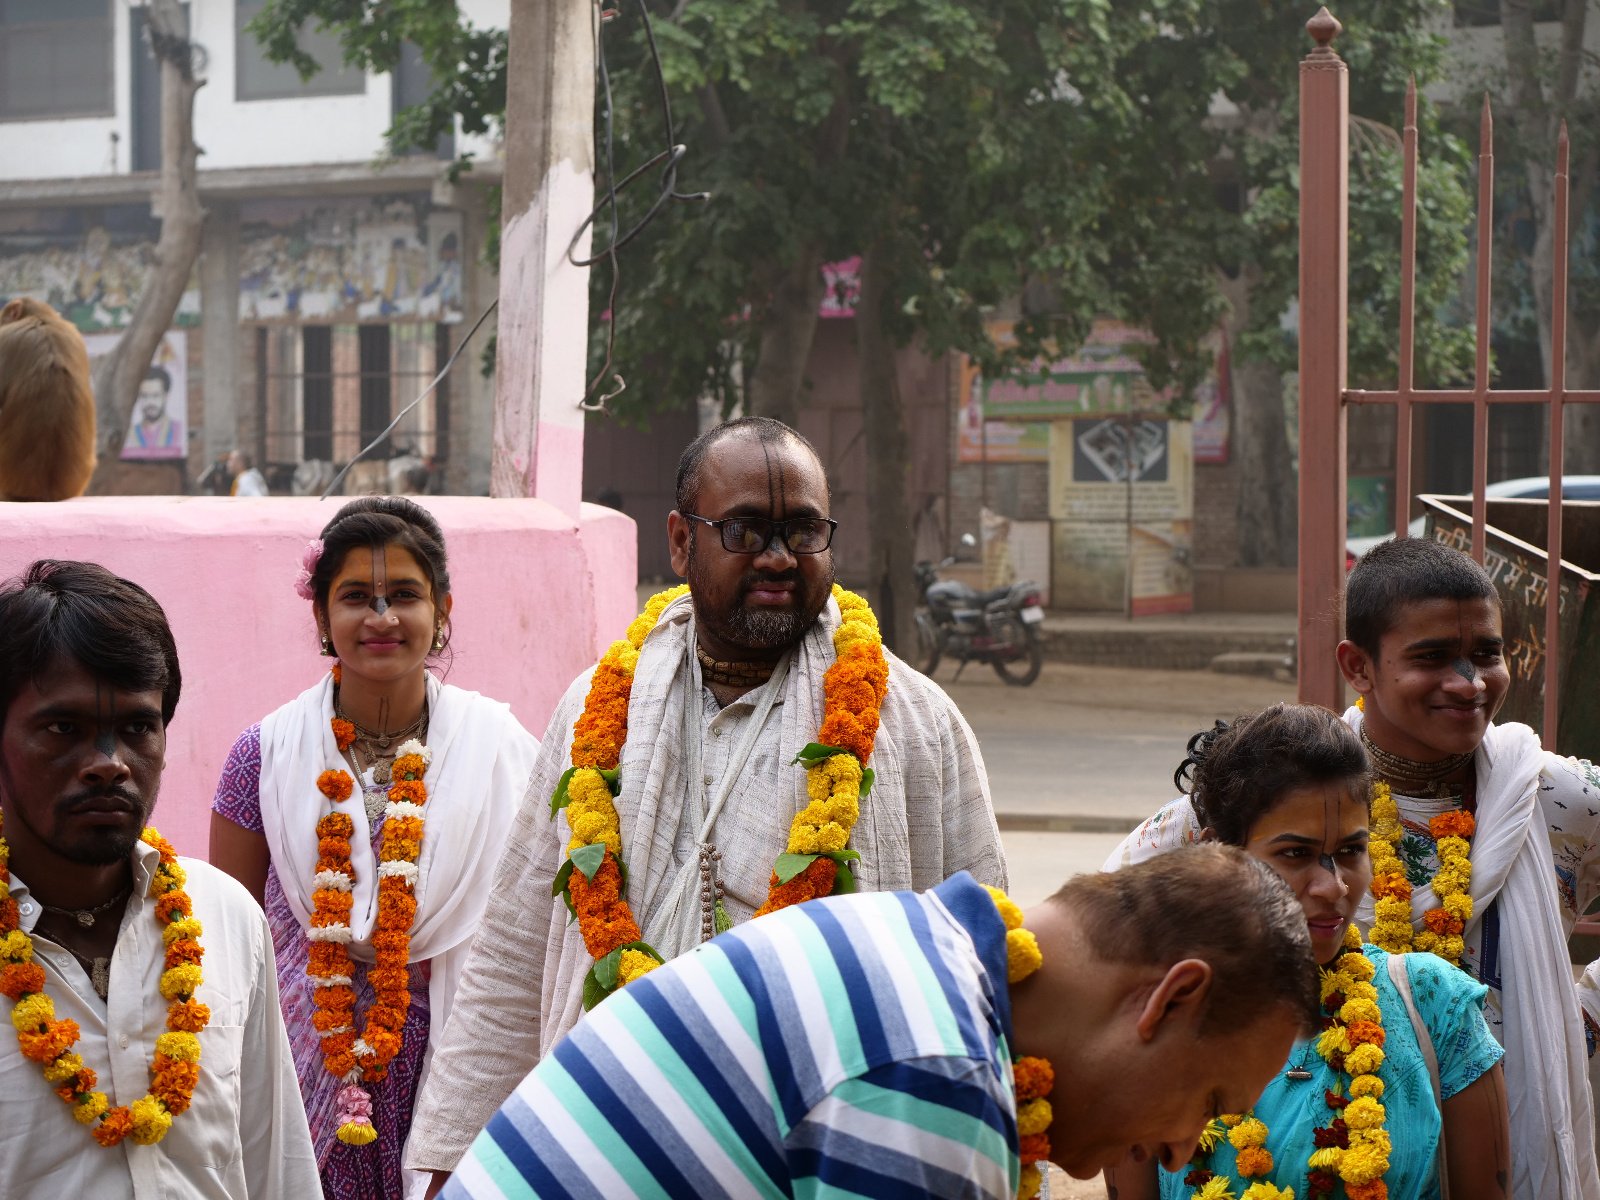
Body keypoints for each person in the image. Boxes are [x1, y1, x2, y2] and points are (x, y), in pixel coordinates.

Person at [406, 416, 1006, 1185]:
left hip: (816, 1155)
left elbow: (975, 965)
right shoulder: (597, 709)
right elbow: (516, 959)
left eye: (804, 531)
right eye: (746, 530)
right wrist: (448, 1162)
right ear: (681, 540)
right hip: (612, 1144)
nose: (781, 558)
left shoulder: (915, 725)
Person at [1107, 537, 1600, 1199]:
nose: (1469, 683)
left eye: (1487, 654)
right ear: (1358, 666)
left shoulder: (1556, 797)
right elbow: (1102, 940)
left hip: (1514, 1134)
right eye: (1431, 659)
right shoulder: (1273, 798)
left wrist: (1584, 1013)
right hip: (1293, 1139)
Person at [441, 845, 1321, 1200]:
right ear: (1169, 999)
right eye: (1208, 1103)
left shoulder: (907, 942)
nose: (1179, 1152)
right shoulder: (934, 1062)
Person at [209, 497, 541, 1199]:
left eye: (405, 597)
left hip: (457, 1061)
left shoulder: (505, 753)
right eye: (357, 596)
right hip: (299, 1061)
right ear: (321, 616)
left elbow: (533, 928)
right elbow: (228, 941)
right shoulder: (263, 756)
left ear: (442, 608)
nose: (382, 618)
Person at [0, 559, 319, 1197]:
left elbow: (275, 1164)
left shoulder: (224, 914)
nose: (108, 764)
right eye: (64, 728)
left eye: (138, 727)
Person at [1104, 704, 1508, 1200]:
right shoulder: (1156, 1022)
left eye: (1349, 851)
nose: (1333, 886)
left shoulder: (1435, 1005)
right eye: (1295, 853)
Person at [0, 297, 96, 501]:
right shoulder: (75, 338)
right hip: (70, 484)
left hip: (11, 482)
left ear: (13, 313)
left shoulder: (6, 336)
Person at [122, 366, 183, 458]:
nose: (150, 402)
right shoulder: (129, 434)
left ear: (166, 396)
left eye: (155, 396)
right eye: (144, 396)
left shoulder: (179, 431)